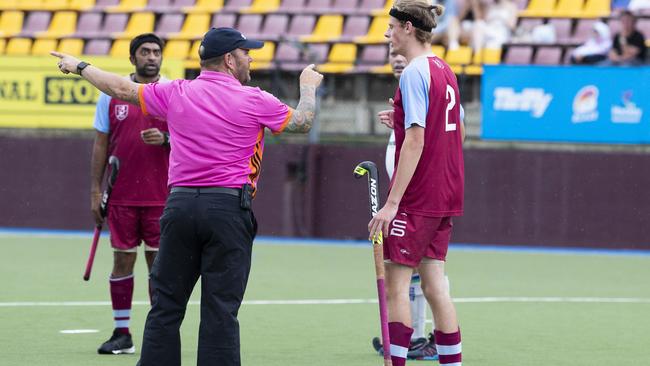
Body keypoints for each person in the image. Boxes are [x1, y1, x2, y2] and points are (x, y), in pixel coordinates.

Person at [52, 26, 323, 366]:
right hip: (227, 208)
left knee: (166, 303)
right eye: (246, 53)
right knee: (221, 308)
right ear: (229, 59)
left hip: (179, 207)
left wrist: (79, 66)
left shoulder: (176, 91)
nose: (250, 58)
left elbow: (120, 88)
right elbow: (301, 122)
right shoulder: (255, 98)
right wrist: (308, 88)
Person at [369, 1, 464, 366]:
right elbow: (456, 131)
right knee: (434, 283)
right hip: (446, 191)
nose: (387, 34)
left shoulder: (412, 73)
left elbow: (416, 140)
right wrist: (400, 116)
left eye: (391, 27)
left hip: (419, 196)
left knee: (396, 286)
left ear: (408, 27)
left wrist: (393, 203)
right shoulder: (444, 68)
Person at [91, 33, 170, 355]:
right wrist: (95, 191)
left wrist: (166, 140)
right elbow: (100, 144)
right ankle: (122, 333)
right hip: (121, 196)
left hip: (163, 197)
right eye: (145, 52)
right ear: (132, 58)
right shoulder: (110, 96)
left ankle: (158, 336)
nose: (151, 57)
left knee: (159, 268)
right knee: (122, 263)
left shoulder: (172, 93)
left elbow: (194, 141)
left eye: (156, 52)